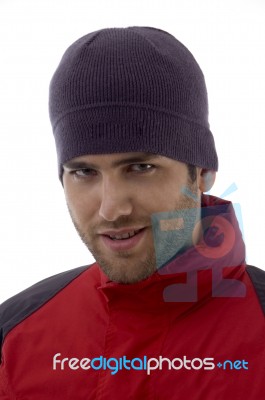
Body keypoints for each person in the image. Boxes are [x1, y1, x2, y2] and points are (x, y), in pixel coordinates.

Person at [0, 26, 264, 400]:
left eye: (140, 167)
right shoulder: (15, 334)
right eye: (84, 172)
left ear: (202, 172)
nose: (111, 209)